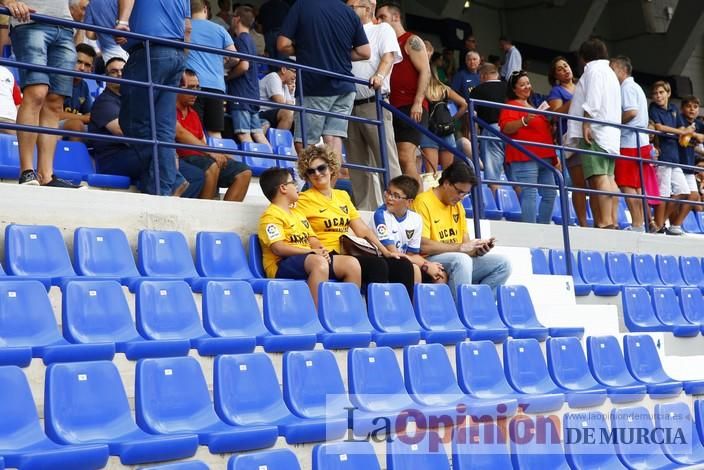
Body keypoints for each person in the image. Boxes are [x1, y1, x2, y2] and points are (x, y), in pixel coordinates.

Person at [295, 145, 416, 299]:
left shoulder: (342, 195)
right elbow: (305, 233)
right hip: (327, 254)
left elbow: (362, 230)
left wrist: (386, 251)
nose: (317, 174)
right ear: (307, 176)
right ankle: (379, 314)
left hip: (349, 251)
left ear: (331, 168)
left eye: (321, 168)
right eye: (311, 171)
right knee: (377, 266)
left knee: (402, 265)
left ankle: (405, 315)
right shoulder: (304, 199)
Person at [88, 58, 204, 198]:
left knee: (196, 175)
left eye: (123, 71)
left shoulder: (132, 99)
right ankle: (165, 199)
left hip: (139, 153)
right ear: (106, 77)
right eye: (114, 71)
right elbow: (123, 131)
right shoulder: (105, 101)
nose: (119, 74)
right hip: (114, 158)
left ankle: (171, 205)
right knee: (158, 155)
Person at [116, 0, 191, 197]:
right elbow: (188, 27)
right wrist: (182, 62)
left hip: (149, 49)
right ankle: (165, 184)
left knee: (133, 122)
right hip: (176, 52)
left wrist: (122, 21)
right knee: (163, 130)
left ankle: (171, 179)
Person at [277, 0, 370, 156]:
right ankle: (328, 181)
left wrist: (307, 51)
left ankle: (315, 180)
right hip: (345, 86)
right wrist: (337, 54)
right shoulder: (348, 11)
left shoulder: (302, 5)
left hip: (314, 85)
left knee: (305, 142)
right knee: (333, 138)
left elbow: (282, 45)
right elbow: (364, 51)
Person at [258, 167, 361, 307]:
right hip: (280, 265)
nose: (296, 186)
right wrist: (312, 252)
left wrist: (321, 250)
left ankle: (349, 314)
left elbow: (312, 239)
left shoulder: (297, 214)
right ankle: (316, 316)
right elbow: (278, 248)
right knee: (318, 262)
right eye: (292, 183)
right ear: (283, 188)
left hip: (307, 259)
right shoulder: (270, 215)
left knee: (351, 264)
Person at [4, 0, 79, 187]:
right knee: (37, 92)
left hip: (65, 26)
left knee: (55, 102)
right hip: (30, 20)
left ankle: (47, 175)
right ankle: (27, 171)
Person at [412, 162, 511, 300]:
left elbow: (465, 247)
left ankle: (479, 307)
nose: (461, 197)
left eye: (465, 194)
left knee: (503, 264)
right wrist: (460, 248)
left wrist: (478, 249)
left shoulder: (458, 207)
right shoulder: (423, 202)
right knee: (462, 260)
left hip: (458, 259)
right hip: (429, 258)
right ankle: (462, 312)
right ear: (446, 183)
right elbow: (423, 245)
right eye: (459, 191)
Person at [345, 0, 402, 211]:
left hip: (374, 102)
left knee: (386, 159)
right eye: (347, 8)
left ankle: (397, 208)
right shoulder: (347, 32)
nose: (349, 11)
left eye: (353, 7)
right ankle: (366, 210)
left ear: (368, 8)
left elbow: (388, 56)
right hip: (349, 104)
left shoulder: (381, 28)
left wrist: (379, 75)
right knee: (358, 163)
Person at [566, 38, 621, 229]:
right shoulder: (610, 73)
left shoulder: (594, 70)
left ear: (584, 57)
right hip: (610, 133)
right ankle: (612, 219)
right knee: (609, 177)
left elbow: (593, 98)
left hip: (596, 132)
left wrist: (587, 122)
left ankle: (606, 222)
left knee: (599, 177)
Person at [176, 69, 252, 201]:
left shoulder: (193, 114)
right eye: (190, 87)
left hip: (199, 158)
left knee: (244, 172)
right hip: (181, 160)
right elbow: (180, 133)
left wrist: (220, 154)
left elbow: (201, 141)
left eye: (197, 87)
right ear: (177, 88)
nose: (195, 92)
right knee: (213, 165)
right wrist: (211, 152)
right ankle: (206, 215)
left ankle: (224, 217)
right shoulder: (169, 109)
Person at [376, 1, 430, 182]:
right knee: (398, 160)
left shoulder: (411, 40)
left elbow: (426, 71)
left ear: (396, 17)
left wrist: (417, 102)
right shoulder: (386, 43)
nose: (380, 21)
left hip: (410, 106)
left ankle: (416, 205)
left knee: (406, 157)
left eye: (383, 17)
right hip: (392, 107)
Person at [499, 70, 557, 224]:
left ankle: (543, 229)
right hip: (525, 156)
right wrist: (524, 121)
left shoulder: (533, 106)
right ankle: (531, 231)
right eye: (522, 84)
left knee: (550, 194)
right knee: (529, 193)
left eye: (528, 83)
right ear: (514, 89)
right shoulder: (510, 105)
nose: (526, 87)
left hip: (544, 156)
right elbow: (506, 127)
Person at [370, 175, 447, 284]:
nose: (389, 198)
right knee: (414, 268)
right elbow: (393, 253)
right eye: (388, 193)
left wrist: (429, 265)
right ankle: (412, 301)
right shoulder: (380, 215)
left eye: (396, 196)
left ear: (409, 202)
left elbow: (412, 254)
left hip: (404, 261)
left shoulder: (416, 219)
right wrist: (425, 265)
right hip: (383, 261)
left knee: (440, 274)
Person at [609, 56, 651, 232]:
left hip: (630, 142)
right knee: (636, 185)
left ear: (621, 69)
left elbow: (631, 112)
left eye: (612, 68)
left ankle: (637, 224)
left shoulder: (626, 88)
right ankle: (639, 223)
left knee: (627, 185)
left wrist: (612, 121)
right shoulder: (636, 87)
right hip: (641, 141)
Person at [546, 56, 589, 226]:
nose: (565, 69)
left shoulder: (581, 86)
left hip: (588, 134)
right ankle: (583, 222)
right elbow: (556, 114)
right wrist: (575, 100)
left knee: (593, 182)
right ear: (555, 75)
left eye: (566, 66)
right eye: (560, 69)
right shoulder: (556, 91)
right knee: (579, 184)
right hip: (571, 138)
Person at [186, 0, 238, 140]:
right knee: (215, 133)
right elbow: (235, 58)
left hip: (193, 86)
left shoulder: (184, 27)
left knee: (192, 130)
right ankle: (220, 160)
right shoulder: (219, 29)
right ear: (205, 9)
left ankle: (197, 161)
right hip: (216, 86)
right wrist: (222, 63)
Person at [649, 80, 695, 235]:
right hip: (663, 157)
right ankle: (659, 226)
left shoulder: (674, 109)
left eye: (661, 92)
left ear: (668, 93)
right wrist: (680, 132)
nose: (658, 96)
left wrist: (684, 130)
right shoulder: (653, 108)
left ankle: (660, 223)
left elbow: (680, 127)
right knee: (663, 193)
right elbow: (659, 127)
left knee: (683, 191)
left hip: (674, 158)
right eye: (655, 93)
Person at [227, 5, 270, 147]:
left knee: (243, 134)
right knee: (258, 133)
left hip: (241, 94)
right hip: (252, 94)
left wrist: (228, 77)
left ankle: (257, 164)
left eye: (233, 16)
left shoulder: (240, 40)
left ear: (237, 19)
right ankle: (275, 163)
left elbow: (244, 65)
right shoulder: (251, 40)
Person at [421, 57, 467, 172]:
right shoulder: (444, 88)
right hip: (446, 129)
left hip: (428, 130)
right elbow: (464, 104)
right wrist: (452, 119)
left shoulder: (420, 89)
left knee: (431, 175)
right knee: (447, 174)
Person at [469, 63, 505, 191]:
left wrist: (473, 138)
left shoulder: (478, 89)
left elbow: (472, 115)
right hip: (515, 130)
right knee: (517, 176)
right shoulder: (510, 88)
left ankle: (498, 208)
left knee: (492, 176)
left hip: (492, 130)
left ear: (483, 76)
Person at [59, 43, 96, 140]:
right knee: (76, 125)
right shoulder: (58, 79)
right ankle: (75, 155)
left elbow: (89, 113)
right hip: (50, 124)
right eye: (78, 62)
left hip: (72, 124)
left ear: (91, 69)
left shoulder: (84, 86)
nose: (82, 68)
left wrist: (86, 118)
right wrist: (84, 118)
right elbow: (56, 114)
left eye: (87, 65)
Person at [678, 95, 704, 222]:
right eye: (688, 106)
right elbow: (681, 132)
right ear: (682, 108)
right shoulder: (679, 119)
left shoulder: (699, 123)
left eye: (695, 107)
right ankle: (666, 223)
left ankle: (676, 224)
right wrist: (693, 134)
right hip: (677, 162)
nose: (692, 109)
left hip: (688, 164)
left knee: (693, 196)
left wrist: (698, 135)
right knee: (677, 195)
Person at [84, 0, 130, 66]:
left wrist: (101, 33)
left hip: (108, 55)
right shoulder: (122, 2)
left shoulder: (91, 4)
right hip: (127, 46)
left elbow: (89, 34)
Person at [258, 64, 296, 131]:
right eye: (294, 72)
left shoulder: (285, 85)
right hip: (261, 113)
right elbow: (280, 101)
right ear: (283, 69)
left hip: (274, 114)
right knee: (288, 113)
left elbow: (291, 105)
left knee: (300, 118)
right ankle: (279, 140)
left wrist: (291, 93)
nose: (296, 76)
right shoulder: (274, 76)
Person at [0, 64, 23, 135]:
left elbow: (18, 103)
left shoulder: (7, 72)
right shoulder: (7, 72)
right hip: (11, 121)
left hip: (10, 120)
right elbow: (18, 104)